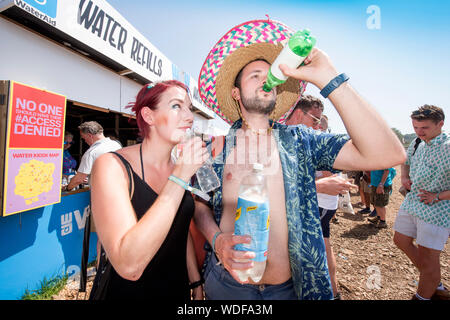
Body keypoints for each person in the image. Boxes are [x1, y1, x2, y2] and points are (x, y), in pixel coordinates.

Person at [194, 19, 406, 300]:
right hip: (228, 287)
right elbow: (199, 207)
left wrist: (329, 77)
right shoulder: (213, 150)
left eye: (268, 75)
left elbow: (388, 153)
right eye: (254, 75)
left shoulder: (301, 142)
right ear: (236, 93)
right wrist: (218, 241)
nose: (264, 79)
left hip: (290, 289)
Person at [89, 80, 207, 300]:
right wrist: (179, 177)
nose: (190, 117)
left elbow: (179, 227)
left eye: (189, 108)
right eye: (176, 106)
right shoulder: (112, 165)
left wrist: (195, 279)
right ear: (148, 116)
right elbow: (129, 266)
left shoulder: (180, 166)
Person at [393, 105, 449, 300]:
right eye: (415, 127)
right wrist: (404, 177)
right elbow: (405, 160)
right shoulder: (418, 142)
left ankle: (424, 295)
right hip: (412, 202)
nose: (418, 132)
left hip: (437, 210)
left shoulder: (448, 147)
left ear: (440, 124)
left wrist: (437, 196)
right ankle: (434, 281)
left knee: (428, 258)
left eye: (424, 127)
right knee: (400, 240)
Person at [65, 121, 122, 191]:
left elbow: (79, 179)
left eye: (83, 138)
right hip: (119, 188)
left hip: (102, 192)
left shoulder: (91, 152)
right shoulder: (116, 145)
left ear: (89, 136)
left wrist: (67, 188)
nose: (85, 141)